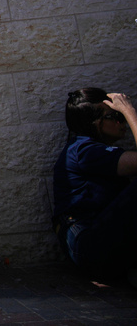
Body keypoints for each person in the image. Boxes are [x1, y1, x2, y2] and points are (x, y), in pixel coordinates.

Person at [52, 88, 137, 284]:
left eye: (121, 115)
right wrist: (130, 111)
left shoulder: (94, 149)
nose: (120, 120)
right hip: (90, 246)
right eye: (114, 115)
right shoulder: (84, 151)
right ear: (96, 123)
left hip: (102, 245)